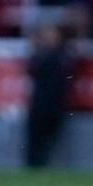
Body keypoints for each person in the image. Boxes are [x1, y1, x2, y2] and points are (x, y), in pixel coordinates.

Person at [24, 25, 76, 168]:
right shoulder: (42, 56)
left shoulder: (63, 55)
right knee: (35, 139)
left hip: (56, 103)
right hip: (39, 103)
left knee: (51, 138)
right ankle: (33, 165)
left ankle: (43, 165)